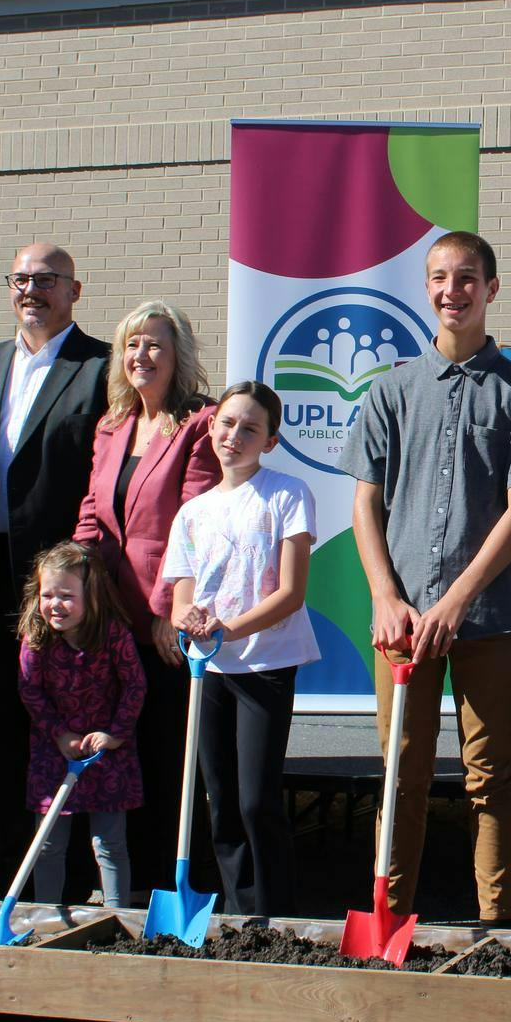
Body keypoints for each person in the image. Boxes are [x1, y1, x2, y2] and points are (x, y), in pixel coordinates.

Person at [346, 229, 511, 923]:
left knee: (489, 776)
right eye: (440, 277)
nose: (452, 290)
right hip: (401, 623)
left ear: (490, 289)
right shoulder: (392, 391)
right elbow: (365, 501)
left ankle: (495, 926)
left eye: (466, 277)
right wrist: (386, 595)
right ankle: (388, 916)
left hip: (488, 620)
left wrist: (458, 600)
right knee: (402, 776)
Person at [0, 243, 111, 896]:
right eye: (22, 278)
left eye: (47, 279)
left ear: (74, 289)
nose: (31, 288)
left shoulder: (101, 369)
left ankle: (80, 873)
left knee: (70, 724)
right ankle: (13, 868)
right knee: (7, 727)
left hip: (65, 586)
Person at [71, 300, 219, 892]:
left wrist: (167, 610)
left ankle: (174, 885)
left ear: (177, 354)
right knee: (119, 759)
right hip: (109, 620)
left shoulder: (199, 423)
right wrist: (74, 580)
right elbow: (91, 513)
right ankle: (120, 890)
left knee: (167, 760)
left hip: (162, 626)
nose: (141, 356)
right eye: (132, 344)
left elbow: (196, 521)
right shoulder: (111, 425)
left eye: (155, 344)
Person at [162, 380, 320, 917]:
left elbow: (291, 592)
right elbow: (182, 592)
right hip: (207, 672)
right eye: (227, 423)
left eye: (251, 428)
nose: (235, 435)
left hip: (265, 665)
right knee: (221, 800)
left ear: (270, 440)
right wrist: (188, 619)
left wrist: (228, 629)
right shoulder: (192, 512)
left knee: (256, 799)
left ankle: (276, 914)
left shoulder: (287, 495)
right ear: (211, 428)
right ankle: (236, 912)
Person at [16, 541, 144, 908]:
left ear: (93, 596)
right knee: (49, 843)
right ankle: (46, 912)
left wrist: (116, 734)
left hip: (105, 752)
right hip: (53, 752)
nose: (55, 604)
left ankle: (117, 914)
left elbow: (135, 684)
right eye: (48, 594)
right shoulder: (37, 638)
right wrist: (59, 734)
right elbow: (30, 691)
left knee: (109, 842)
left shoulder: (113, 634)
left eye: (67, 596)